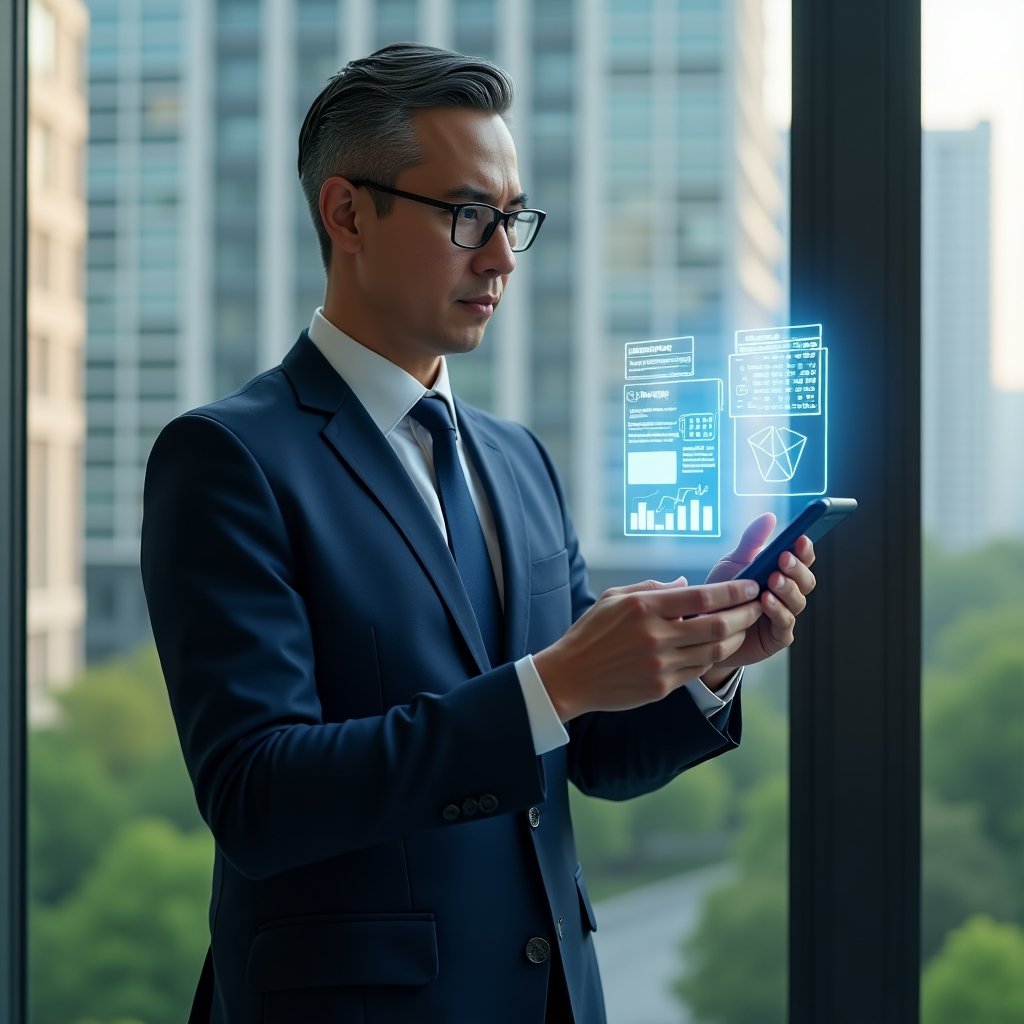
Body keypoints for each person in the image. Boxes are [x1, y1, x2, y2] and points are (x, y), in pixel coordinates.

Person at [140, 42, 816, 1024]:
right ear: (346, 213)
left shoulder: (515, 460)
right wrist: (557, 681)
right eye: (466, 215)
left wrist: (703, 662)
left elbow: (585, 752)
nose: (500, 255)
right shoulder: (226, 459)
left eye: (512, 218)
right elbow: (259, 795)